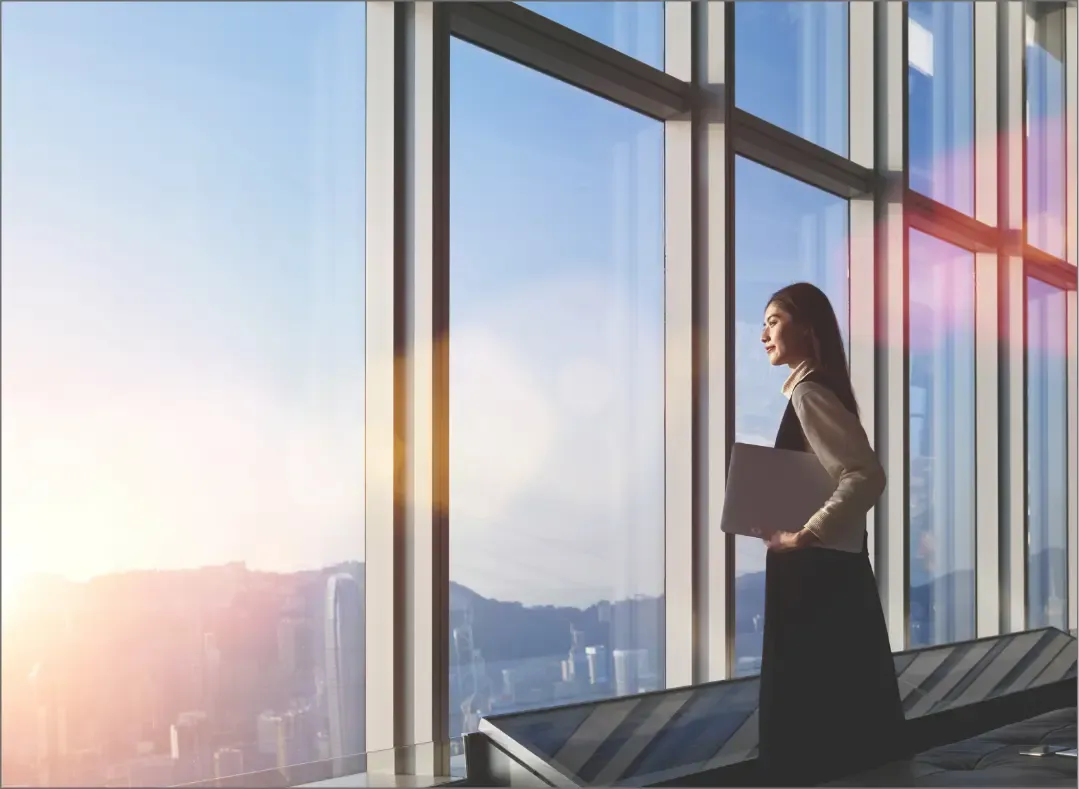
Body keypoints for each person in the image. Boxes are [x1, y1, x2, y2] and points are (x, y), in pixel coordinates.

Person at [755, 282, 907, 786]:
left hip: (817, 577)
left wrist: (806, 535)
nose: (764, 334)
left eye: (774, 320)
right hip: (826, 571)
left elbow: (865, 475)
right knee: (845, 716)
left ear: (807, 327)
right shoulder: (813, 389)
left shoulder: (808, 392)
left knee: (812, 715)